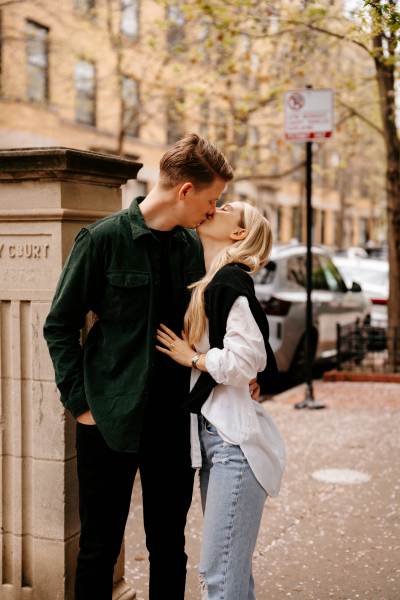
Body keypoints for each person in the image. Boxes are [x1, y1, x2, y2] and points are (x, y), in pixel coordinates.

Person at [43, 134, 261, 600]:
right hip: (105, 420)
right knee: (98, 548)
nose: (212, 209)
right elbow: (59, 325)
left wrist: (239, 368)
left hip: (172, 423)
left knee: (169, 547)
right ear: (185, 191)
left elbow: (219, 312)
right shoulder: (102, 240)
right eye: (210, 199)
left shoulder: (192, 247)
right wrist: (81, 403)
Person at [155, 200, 286, 600]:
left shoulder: (229, 280)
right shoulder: (216, 280)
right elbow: (257, 357)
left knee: (219, 574)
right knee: (230, 574)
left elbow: (249, 359)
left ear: (239, 233)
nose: (215, 206)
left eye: (227, 207)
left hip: (233, 446)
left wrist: (192, 357)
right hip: (217, 442)